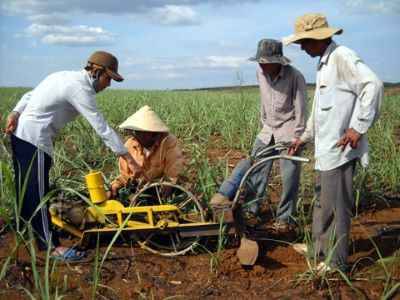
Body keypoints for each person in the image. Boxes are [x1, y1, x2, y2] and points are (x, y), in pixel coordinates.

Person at [5, 51, 142, 261]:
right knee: (38, 194)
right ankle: (52, 247)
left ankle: (27, 234)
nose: (108, 85)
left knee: (26, 190)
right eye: (108, 79)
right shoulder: (80, 89)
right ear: (96, 72)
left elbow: (30, 95)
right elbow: (101, 126)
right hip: (35, 138)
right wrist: (127, 156)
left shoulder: (61, 76)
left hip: (22, 136)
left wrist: (15, 112)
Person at [284, 13, 383, 272]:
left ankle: (335, 262)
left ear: (317, 38)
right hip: (326, 149)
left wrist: (357, 127)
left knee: (337, 207)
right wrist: (303, 138)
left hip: (340, 150)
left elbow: (372, 84)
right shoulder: (324, 64)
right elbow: (320, 111)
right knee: (322, 203)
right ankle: (319, 248)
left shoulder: (342, 57)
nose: (302, 48)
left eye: (304, 42)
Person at [210, 39, 307, 265]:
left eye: (266, 63)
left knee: (290, 176)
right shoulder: (260, 73)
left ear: (278, 62)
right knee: (255, 168)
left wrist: (298, 137)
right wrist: (263, 124)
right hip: (267, 129)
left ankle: (285, 219)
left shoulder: (295, 77)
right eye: (260, 62)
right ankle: (252, 210)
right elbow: (264, 102)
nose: (262, 66)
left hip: (290, 129)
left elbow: (302, 108)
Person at [108, 105, 184, 198]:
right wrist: (116, 184)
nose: (136, 136)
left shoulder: (168, 142)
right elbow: (126, 176)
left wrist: (169, 183)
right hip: (140, 190)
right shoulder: (130, 145)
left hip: (163, 188)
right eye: (136, 132)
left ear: (153, 133)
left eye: (142, 133)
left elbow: (175, 167)